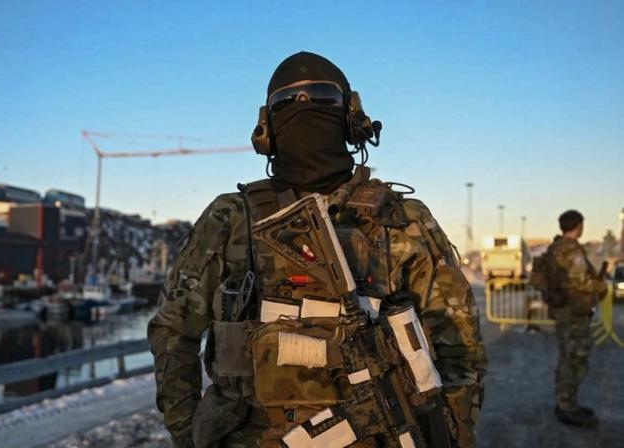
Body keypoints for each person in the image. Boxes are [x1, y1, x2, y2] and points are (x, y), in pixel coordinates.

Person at [148, 51, 486, 447]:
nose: (304, 107)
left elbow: (459, 346)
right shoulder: (231, 219)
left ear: (351, 117)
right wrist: (188, 434)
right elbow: (173, 331)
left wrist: (452, 434)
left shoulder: (401, 219)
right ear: (267, 127)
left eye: (323, 97)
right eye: (286, 102)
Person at [548, 210, 607, 428]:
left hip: (562, 310)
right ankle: (568, 406)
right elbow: (580, 281)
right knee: (575, 359)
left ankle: (563, 402)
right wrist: (600, 286)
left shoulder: (555, 247)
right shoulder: (571, 249)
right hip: (574, 312)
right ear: (578, 226)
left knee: (566, 357)